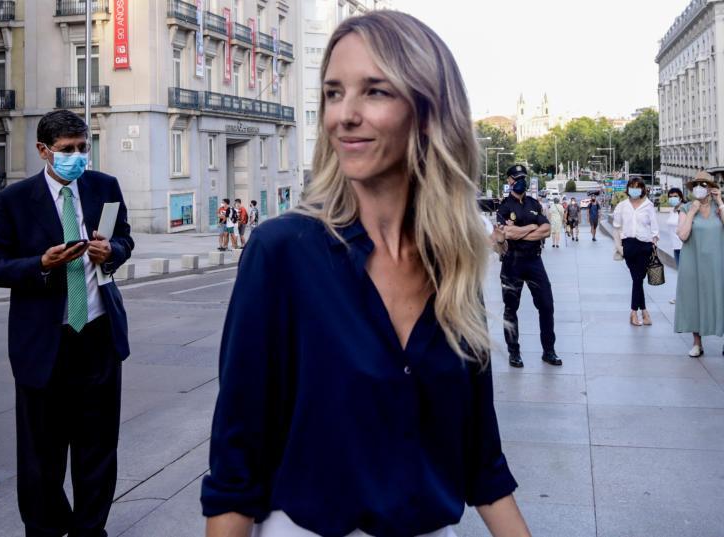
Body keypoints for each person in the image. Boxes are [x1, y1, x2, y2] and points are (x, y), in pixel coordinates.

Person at [202, 11, 529, 537]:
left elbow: (482, 463)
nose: (344, 116)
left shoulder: (452, 264)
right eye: (334, 93)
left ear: (428, 113)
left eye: (374, 91)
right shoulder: (282, 251)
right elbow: (235, 468)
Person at [0, 109, 134, 537]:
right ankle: (46, 528)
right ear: (43, 151)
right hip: (44, 344)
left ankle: (90, 530)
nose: (78, 156)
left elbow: (124, 236)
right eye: (68, 150)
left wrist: (113, 251)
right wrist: (41, 263)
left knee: (98, 449)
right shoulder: (13, 201)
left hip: (99, 337)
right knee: (41, 455)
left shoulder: (105, 187)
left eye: (83, 148)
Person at [495, 164, 562, 368]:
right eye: (516, 178)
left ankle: (548, 351)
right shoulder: (504, 207)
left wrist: (520, 232)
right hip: (512, 262)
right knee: (510, 309)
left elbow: (546, 230)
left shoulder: (534, 203)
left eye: (523, 178)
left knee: (547, 305)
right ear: (509, 181)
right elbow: (506, 233)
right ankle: (514, 352)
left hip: (534, 260)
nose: (520, 182)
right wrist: (533, 227)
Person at [673, 174, 724, 356]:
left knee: (720, 297)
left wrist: (720, 202)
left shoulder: (719, 207)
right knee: (694, 299)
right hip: (693, 261)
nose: (699, 188)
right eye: (696, 185)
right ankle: (697, 343)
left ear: (710, 188)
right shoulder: (686, 208)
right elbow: (683, 235)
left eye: (703, 184)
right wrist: (692, 212)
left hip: (718, 261)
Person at [612, 177, 661, 327]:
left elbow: (655, 229)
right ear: (628, 188)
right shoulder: (622, 206)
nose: (635, 189)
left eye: (638, 187)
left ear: (642, 189)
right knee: (637, 279)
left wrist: (654, 244)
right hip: (629, 245)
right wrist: (620, 248)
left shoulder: (648, 205)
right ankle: (639, 312)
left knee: (638, 280)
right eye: (632, 187)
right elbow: (616, 227)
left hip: (645, 246)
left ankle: (639, 312)